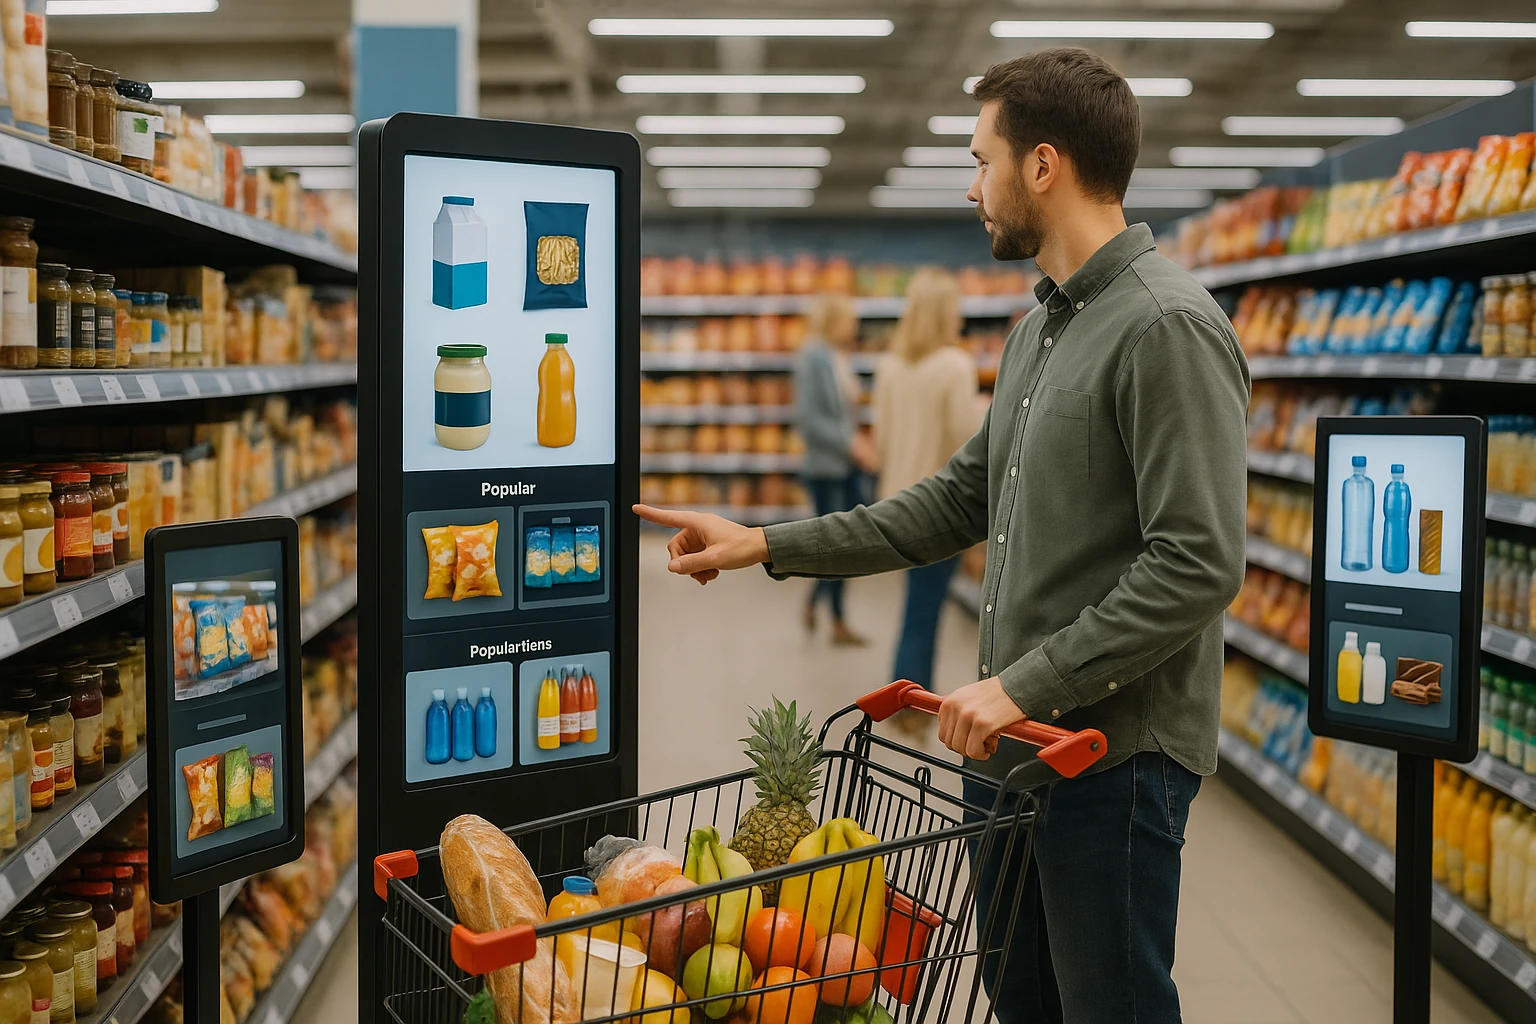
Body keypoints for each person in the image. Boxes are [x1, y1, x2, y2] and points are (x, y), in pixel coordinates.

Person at [635, 45, 1249, 1024]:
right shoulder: (1037, 330)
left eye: (981, 160)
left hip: (1108, 754)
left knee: (1112, 1007)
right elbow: (954, 502)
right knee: (1022, 1001)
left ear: (1042, 165)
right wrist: (765, 542)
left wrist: (1019, 685)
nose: (973, 188)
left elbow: (1199, 560)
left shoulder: (1164, 326)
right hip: (1008, 749)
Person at [873, 267, 982, 709]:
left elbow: (880, 439)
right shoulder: (955, 366)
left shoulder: (889, 366)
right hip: (940, 505)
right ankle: (907, 700)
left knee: (918, 601)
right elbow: (967, 438)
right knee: (925, 608)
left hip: (896, 503)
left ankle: (902, 694)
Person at [793, 292, 875, 645]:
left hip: (846, 466)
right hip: (827, 468)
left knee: (844, 547)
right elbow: (811, 420)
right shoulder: (813, 357)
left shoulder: (837, 356)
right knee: (837, 548)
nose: (855, 326)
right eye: (849, 319)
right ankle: (836, 620)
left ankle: (822, 608)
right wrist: (851, 444)